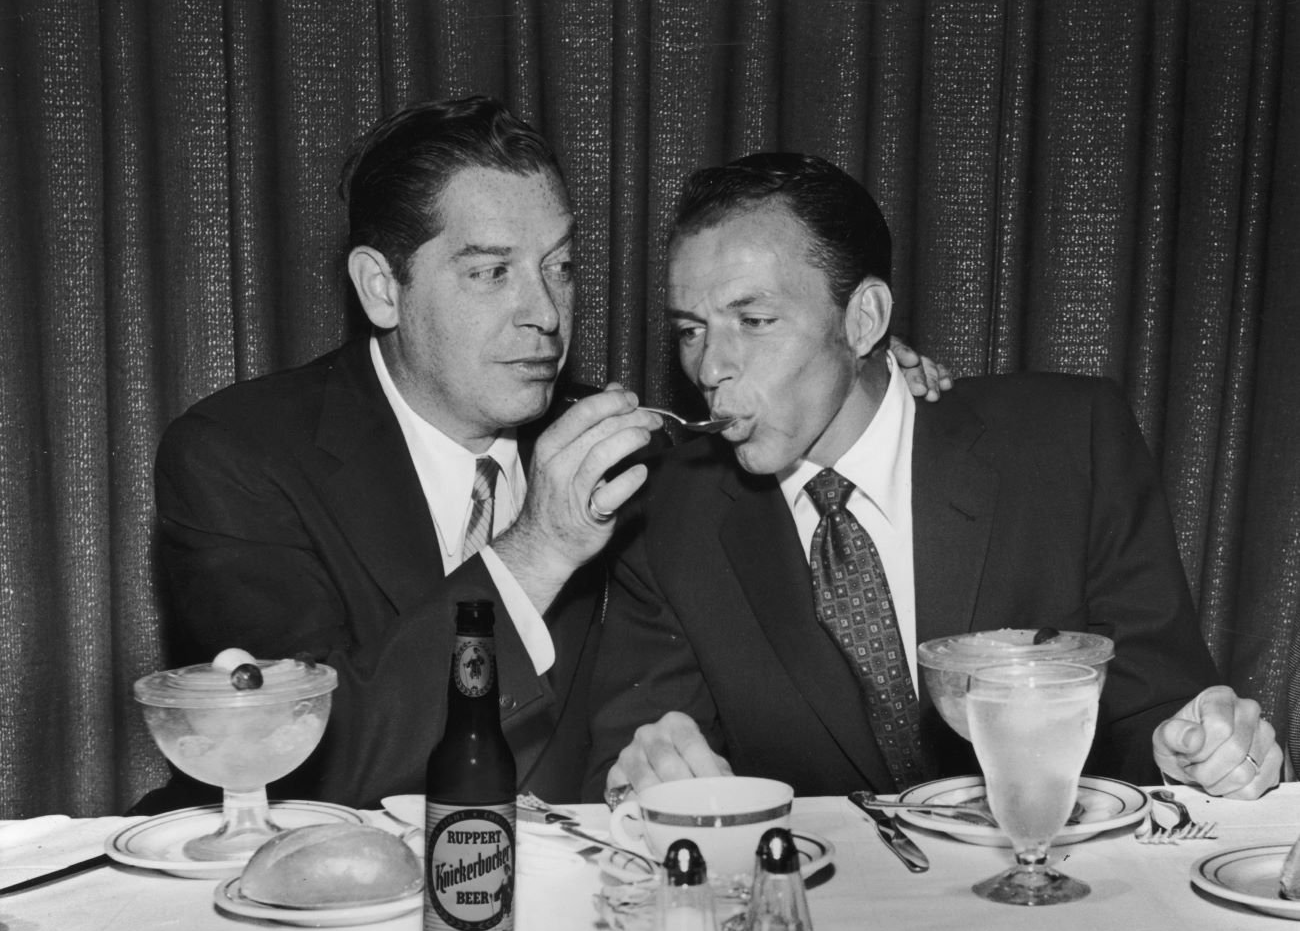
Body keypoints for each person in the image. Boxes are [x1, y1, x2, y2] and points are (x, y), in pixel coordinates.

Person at [134, 97, 947, 812]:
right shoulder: (241, 457)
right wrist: (535, 553)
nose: (544, 312)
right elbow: (304, 760)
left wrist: (861, 364)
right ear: (383, 288)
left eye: (558, 267)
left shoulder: (633, 450)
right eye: (491, 272)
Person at [584, 152, 1281, 805]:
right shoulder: (669, 513)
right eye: (689, 330)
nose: (710, 368)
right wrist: (643, 769)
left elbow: (1157, 702)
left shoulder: (1070, 442)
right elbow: (633, 745)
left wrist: (1196, 748)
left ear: (864, 320)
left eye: (754, 320)